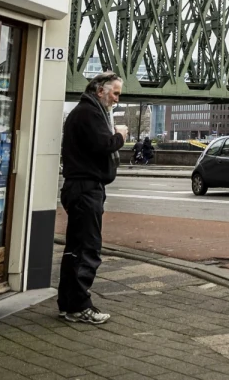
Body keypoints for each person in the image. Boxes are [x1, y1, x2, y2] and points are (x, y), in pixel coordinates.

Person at [58, 71, 128, 324]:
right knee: (87, 249)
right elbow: (103, 145)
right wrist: (120, 135)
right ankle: (78, 306)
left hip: (81, 187)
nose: (117, 99)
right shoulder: (89, 113)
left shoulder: (84, 112)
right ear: (100, 91)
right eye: (115, 93)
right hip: (86, 189)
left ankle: (68, 303)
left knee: (75, 249)